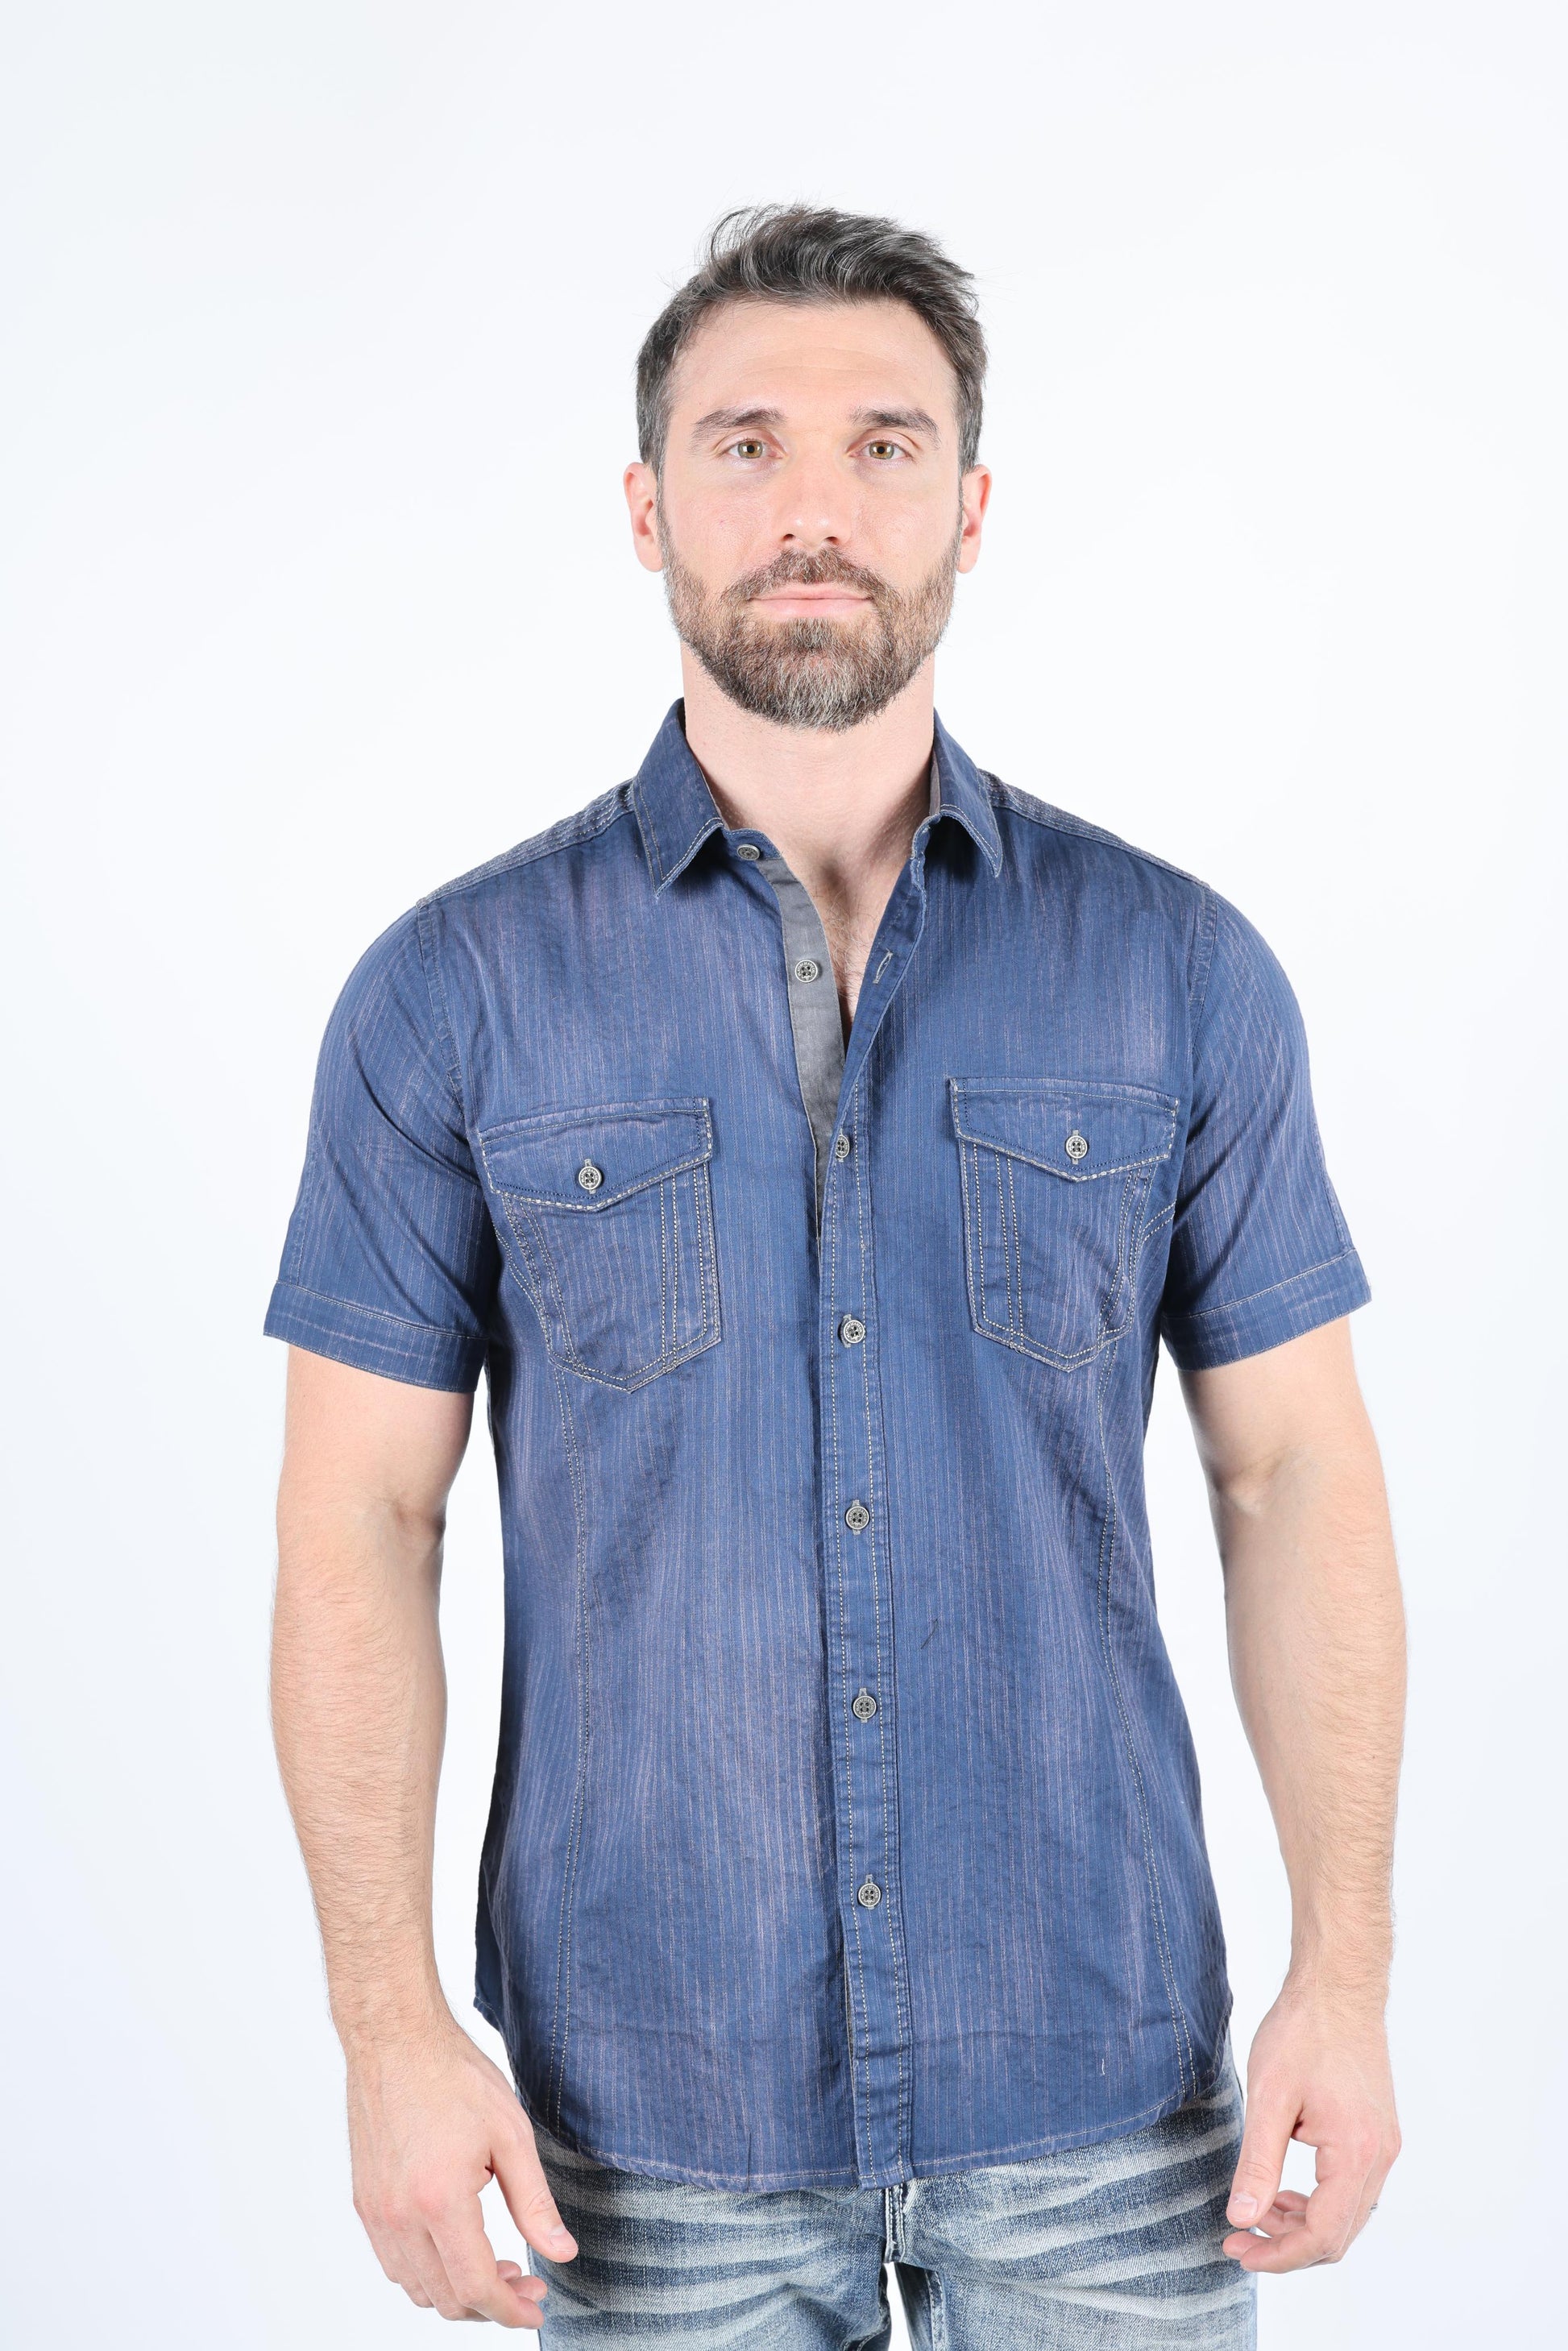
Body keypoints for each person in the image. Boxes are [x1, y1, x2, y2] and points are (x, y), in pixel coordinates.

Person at [265, 205, 1404, 2345]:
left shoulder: (1176, 972)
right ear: (644, 506)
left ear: (969, 507)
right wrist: (387, 2032)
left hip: (1104, 2095)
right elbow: (357, 1521)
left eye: (884, 444)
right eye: (745, 443)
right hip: (641, 2130)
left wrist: (1341, 1978)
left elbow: (1297, 1480)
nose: (814, 507)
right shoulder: (454, 995)